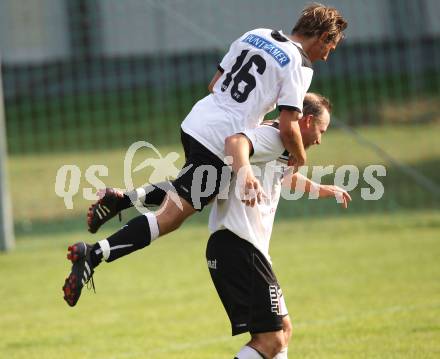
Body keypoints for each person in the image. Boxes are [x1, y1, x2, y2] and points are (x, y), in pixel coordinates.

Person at [62, 4, 348, 307]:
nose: (327, 54)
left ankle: (123, 199)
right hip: (222, 139)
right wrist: (299, 157)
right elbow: (290, 125)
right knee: (170, 218)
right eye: (331, 46)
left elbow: (214, 84)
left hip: (199, 119)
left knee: (195, 188)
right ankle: (93, 254)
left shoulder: (256, 34)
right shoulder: (299, 63)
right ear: (321, 36)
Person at [206, 93, 351, 359]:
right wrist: (245, 174)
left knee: (282, 332)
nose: (320, 139)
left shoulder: (282, 146)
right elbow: (235, 142)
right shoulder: (272, 136)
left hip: (246, 249)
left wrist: (322, 189)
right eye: (321, 131)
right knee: (272, 339)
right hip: (239, 246)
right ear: (306, 121)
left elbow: (283, 178)